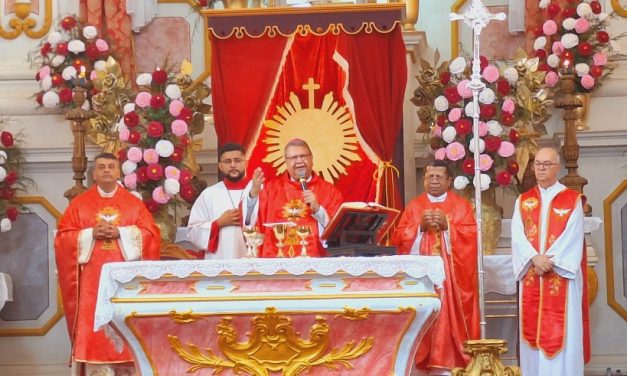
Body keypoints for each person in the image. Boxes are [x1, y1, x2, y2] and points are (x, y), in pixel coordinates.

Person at [54, 152, 161, 375]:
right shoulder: (79, 205)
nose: (106, 170)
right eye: (101, 167)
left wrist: (120, 232)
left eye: (111, 166)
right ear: (93, 173)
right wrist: (89, 234)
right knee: (93, 327)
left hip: (125, 284)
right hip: (92, 284)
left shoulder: (133, 204)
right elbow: (63, 239)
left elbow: (151, 235)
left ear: (118, 171)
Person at [392, 160, 480, 375]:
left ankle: (452, 365)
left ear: (449, 181)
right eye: (429, 177)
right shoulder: (414, 206)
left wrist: (449, 227)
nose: (433, 181)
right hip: (423, 282)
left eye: (438, 177)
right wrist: (419, 229)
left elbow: (471, 237)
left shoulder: (461, 206)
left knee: (448, 320)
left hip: (452, 285)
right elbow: (398, 238)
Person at [511, 147, 590, 376]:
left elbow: (573, 235)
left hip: (561, 275)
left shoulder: (572, 199)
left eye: (547, 164)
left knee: (565, 333)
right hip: (532, 274)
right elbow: (518, 235)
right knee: (531, 336)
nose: (541, 168)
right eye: (538, 164)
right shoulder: (523, 200)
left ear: (557, 167)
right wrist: (534, 258)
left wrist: (550, 261)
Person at [251, 138, 343, 257]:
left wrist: (318, 210)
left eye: (303, 156)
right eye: (293, 158)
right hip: (275, 261)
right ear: (286, 162)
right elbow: (251, 222)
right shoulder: (269, 190)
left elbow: (338, 234)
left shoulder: (330, 192)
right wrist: (253, 194)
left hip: (314, 261)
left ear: (312, 159)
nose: (299, 161)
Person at [187, 142, 263, 259]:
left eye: (237, 160)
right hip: (220, 261)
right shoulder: (209, 194)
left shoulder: (258, 189)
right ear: (220, 166)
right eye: (227, 161)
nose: (233, 165)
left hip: (254, 260)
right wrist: (218, 223)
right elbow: (193, 232)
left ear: (245, 163)